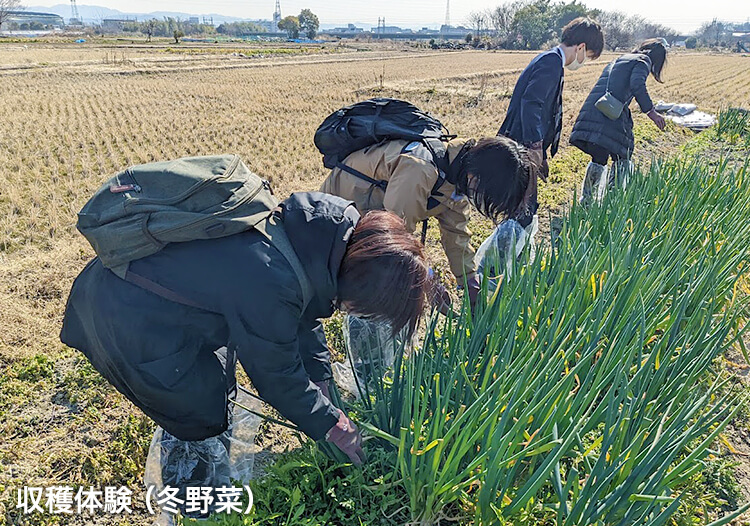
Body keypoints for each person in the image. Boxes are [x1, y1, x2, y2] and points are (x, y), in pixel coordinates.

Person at [60, 192, 430, 487]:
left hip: (154, 297)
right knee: (195, 410)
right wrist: (333, 426)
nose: (351, 312)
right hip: (125, 314)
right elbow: (276, 376)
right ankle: (194, 500)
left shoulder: (325, 235)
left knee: (213, 389)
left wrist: (321, 381)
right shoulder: (271, 279)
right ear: (357, 283)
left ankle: (204, 474)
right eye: (360, 307)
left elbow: (304, 311)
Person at [319, 135, 530, 307]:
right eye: (484, 193)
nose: (478, 198)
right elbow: (395, 237)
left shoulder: (457, 176)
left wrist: (469, 280)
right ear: (477, 176)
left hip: (373, 215)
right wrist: (427, 281)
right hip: (340, 211)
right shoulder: (419, 170)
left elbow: (456, 235)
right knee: (360, 281)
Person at [497, 17, 604, 224]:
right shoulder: (552, 62)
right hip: (520, 146)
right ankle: (503, 253)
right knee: (522, 211)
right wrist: (534, 146)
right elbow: (532, 103)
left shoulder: (549, 59)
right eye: (587, 56)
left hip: (522, 144)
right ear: (581, 47)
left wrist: (542, 153)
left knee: (522, 208)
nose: (583, 62)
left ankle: (509, 251)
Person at [571, 39, 668, 201]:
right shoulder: (643, 61)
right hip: (609, 114)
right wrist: (652, 112)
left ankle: (588, 201)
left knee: (600, 156)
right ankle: (613, 198)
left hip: (595, 109)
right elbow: (637, 85)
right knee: (623, 153)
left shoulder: (623, 57)